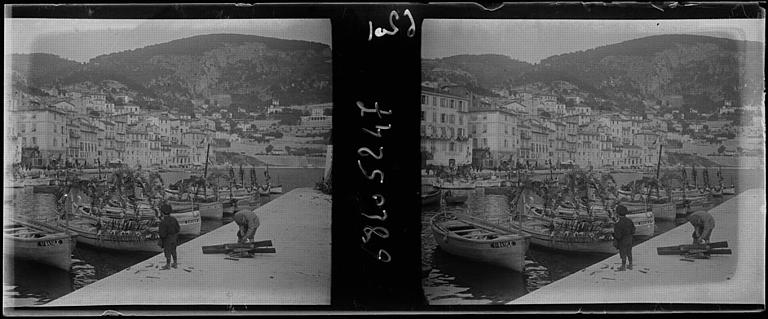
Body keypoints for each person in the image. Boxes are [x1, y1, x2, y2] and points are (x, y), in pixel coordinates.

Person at [613, 202, 636, 271]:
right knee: (629, 252)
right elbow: (633, 230)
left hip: (623, 241)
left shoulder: (618, 224)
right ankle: (630, 265)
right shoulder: (629, 221)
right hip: (630, 239)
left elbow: (618, 236)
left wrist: (615, 238)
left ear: (617, 213)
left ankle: (623, 266)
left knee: (623, 253)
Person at [158, 202, 180, 269]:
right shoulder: (174, 219)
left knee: (167, 252)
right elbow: (178, 228)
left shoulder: (163, 221)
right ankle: (175, 263)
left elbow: (162, 233)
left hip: (167, 239)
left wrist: (161, 238)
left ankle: (168, 265)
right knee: (173, 250)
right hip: (174, 237)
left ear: (162, 212)